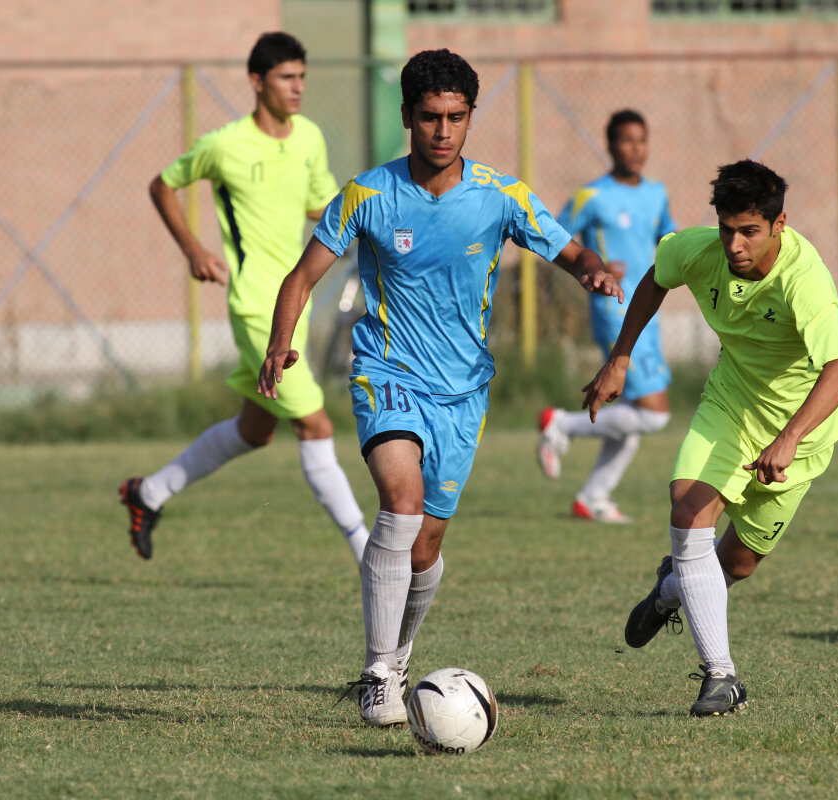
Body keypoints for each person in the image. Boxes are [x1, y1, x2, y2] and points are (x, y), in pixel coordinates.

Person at [257, 49, 619, 727]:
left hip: (463, 391)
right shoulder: (368, 194)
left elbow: (570, 251)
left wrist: (593, 271)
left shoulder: (501, 195)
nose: (443, 130)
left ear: (471, 116)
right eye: (430, 117)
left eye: (455, 116)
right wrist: (280, 342)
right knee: (402, 502)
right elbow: (301, 277)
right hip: (387, 372)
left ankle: (397, 659)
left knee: (426, 546)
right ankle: (376, 674)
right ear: (407, 116)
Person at [582, 159, 838, 716]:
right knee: (688, 509)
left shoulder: (804, 280)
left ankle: (671, 589)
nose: (734, 245)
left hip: (800, 433)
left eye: (749, 231)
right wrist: (620, 357)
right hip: (730, 405)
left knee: (736, 564)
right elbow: (656, 278)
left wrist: (789, 437)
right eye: (727, 229)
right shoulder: (700, 249)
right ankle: (722, 677)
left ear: (779, 224)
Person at [119, 32, 369, 565]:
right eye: (286, 77)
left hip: (296, 303)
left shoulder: (309, 137)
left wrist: (367, 222)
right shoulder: (224, 145)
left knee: (255, 431)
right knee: (315, 424)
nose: (298, 87)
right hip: (257, 305)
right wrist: (192, 249)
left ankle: (149, 493)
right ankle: (368, 552)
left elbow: (317, 205)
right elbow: (162, 185)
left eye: (302, 77)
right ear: (257, 82)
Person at [537, 109, 676, 523]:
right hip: (613, 310)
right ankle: (561, 424)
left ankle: (593, 498)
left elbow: (670, 242)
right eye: (627, 140)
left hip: (648, 310)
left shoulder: (657, 194)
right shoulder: (591, 196)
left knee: (629, 415)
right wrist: (596, 266)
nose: (636, 149)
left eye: (642, 140)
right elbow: (553, 238)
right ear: (611, 145)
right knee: (654, 413)